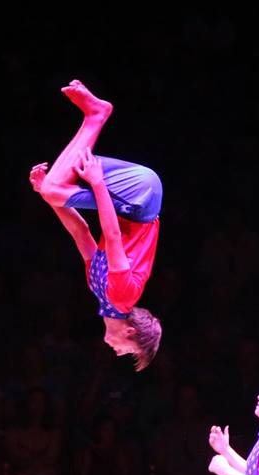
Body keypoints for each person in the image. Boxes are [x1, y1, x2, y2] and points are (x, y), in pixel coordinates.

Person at [30, 79, 162, 371]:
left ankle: (95, 114)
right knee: (56, 187)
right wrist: (98, 183)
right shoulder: (122, 296)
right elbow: (112, 235)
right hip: (141, 197)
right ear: (130, 332)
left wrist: (48, 198)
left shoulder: (98, 288)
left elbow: (81, 231)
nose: (117, 353)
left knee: (53, 187)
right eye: (127, 352)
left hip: (129, 203)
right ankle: (97, 114)